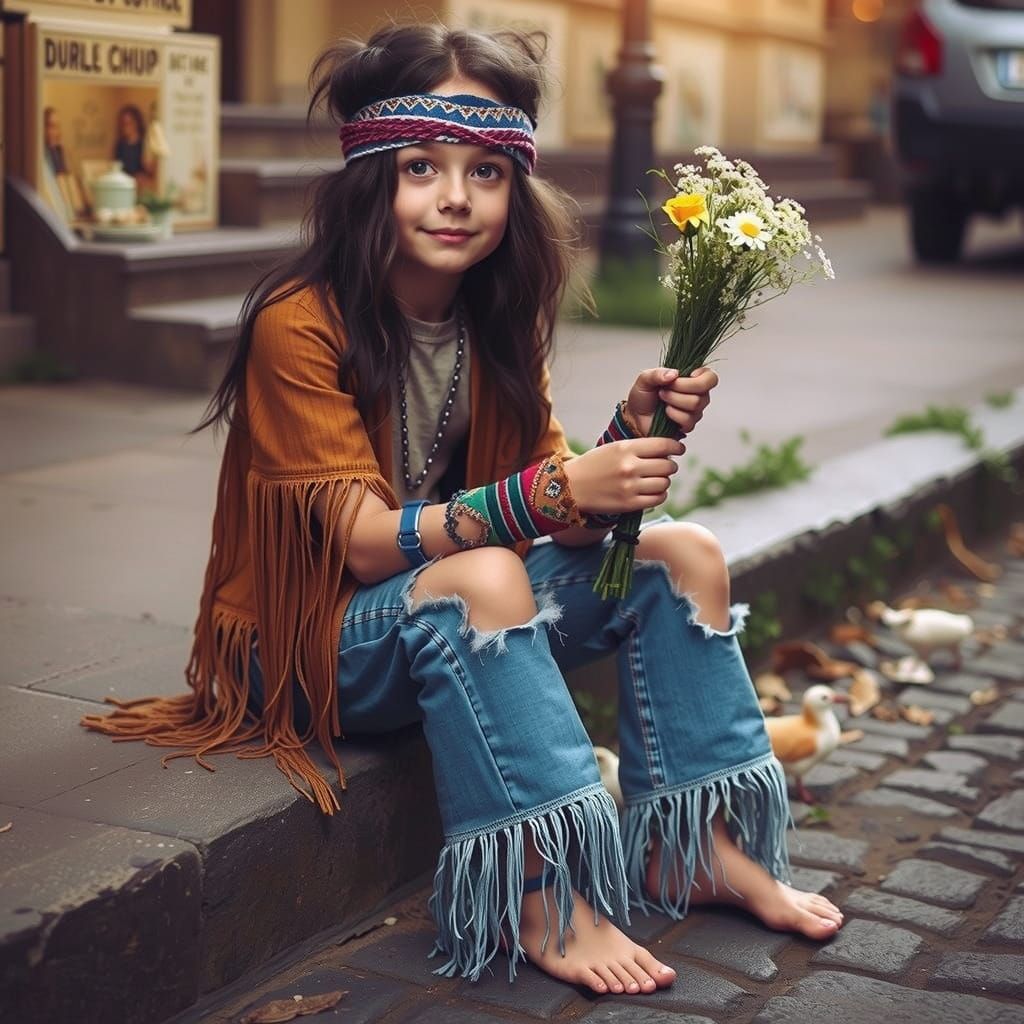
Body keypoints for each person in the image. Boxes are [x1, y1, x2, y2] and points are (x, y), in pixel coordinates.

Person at [80, 23, 843, 996]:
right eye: (422, 167)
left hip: (450, 608)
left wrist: (623, 435)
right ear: (371, 176)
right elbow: (365, 547)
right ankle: (540, 888)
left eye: (485, 171)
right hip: (308, 641)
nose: (456, 196)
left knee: (680, 554)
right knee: (483, 576)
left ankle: (694, 846)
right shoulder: (296, 322)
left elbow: (563, 517)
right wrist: (555, 491)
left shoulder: (497, 317)